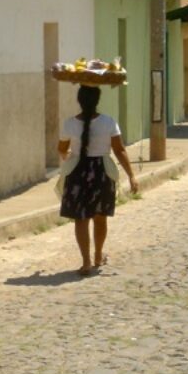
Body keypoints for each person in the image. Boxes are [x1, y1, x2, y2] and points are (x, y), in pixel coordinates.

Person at [58, 85, 138, 276]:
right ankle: (98, 255)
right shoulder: (108, 122)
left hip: (77, 173)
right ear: (97, 100)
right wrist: (131, 175)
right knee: (100, 217)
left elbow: (62, 149)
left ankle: (85, 261)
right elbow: (119, 150)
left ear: (79, 100)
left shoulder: (69, 124)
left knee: (81, 218)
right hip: (102, 172)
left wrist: (68, 155)